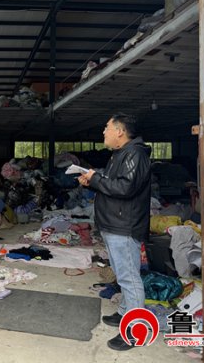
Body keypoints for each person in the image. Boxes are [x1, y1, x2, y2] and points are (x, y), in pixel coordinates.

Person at [78, 113, 151, 351]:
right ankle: (124, 312)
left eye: (107, 127)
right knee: (122, 274)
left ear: (119, 131)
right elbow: (113, 185)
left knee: (129, 277)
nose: (104, 131)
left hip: (124, 225)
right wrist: (93, 181)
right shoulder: (121, 154)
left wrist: (97, 178)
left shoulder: (135, 154)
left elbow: (126, 188)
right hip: (114, 223)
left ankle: (135, 330)